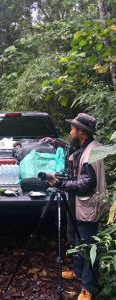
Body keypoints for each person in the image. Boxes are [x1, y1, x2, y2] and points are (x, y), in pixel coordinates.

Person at [47, 113, 110, 300]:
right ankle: (78, 271)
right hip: (78, 204)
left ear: (81, 132)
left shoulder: (91, 153)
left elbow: (85, 185)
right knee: (76, 240)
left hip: (87, 206)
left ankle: (88, 288)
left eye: (73, 128)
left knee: (88, 244)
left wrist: (59, 184)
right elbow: (78, 175)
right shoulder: (84, 148)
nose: (70, 131)